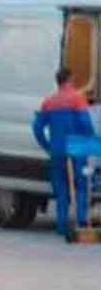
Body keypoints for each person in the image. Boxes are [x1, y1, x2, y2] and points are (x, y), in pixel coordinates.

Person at [34, 67, 96, 237]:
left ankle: (62, 226)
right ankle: (82, 222)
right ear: (70, 79)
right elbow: (85, 123)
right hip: (76, 150)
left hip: (57, 151)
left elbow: (37, 127)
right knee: (82, 185)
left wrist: (47, 145)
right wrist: (92, 141)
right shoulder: (78, 98)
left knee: (61, 188)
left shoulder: (49, 102)